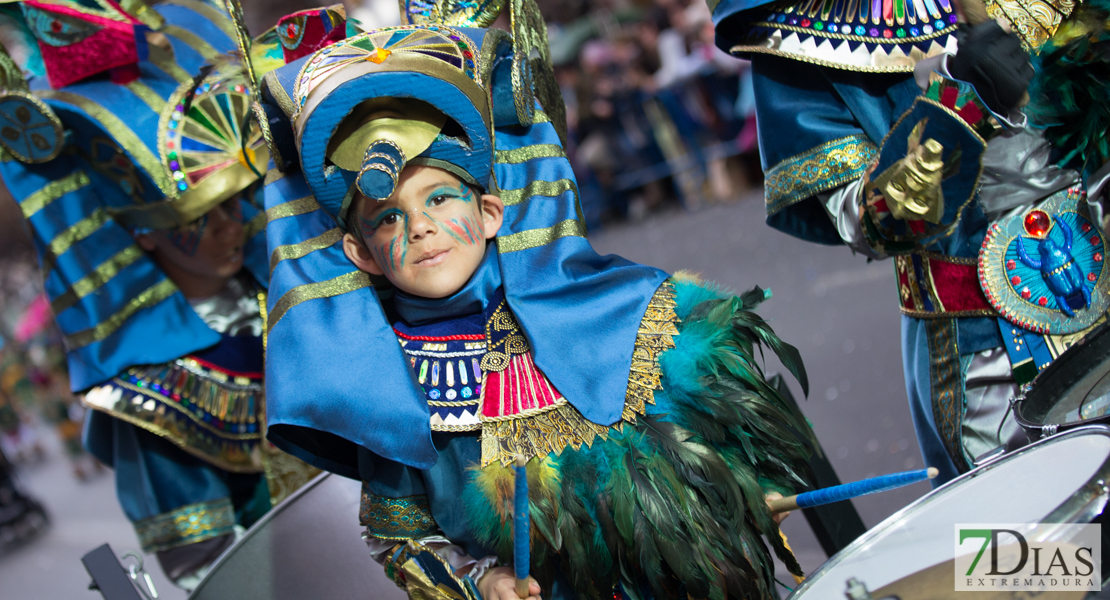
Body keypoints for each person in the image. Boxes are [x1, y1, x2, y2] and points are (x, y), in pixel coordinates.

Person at [258, 5, 814, 599]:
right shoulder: (386, 392)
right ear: (360, 252)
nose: (420, 227)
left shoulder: (616, 309)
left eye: (442, 198)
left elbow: (699, 440)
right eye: (389, 217)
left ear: (491, 213)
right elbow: (399, 538)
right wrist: (482, 580)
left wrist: (739, 494)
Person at [708, 0, 1110, 484]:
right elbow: (872, 223)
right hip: (990, 359)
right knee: (1036, 551)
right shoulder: (793, 31)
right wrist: (957, 108)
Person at [0, 0, 315, 588]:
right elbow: (211, 571)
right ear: (143, 233)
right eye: (196, 215)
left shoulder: (302, 295)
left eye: (235, 199)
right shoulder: (146, 397)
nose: (231, 223)